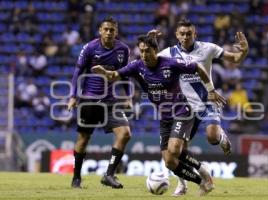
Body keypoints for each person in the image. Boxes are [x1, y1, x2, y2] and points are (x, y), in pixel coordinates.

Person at [92, 35, 226, 196]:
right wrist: (105, 72)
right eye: (141, 51)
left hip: (182, 111)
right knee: (170, 161)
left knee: (174, 149)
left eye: (147, 51)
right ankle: (202, 179)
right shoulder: (137, 66)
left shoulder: (170, 63)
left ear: (155, 50)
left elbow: (197, 67)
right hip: (164, 117)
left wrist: (211, 90)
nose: (144, 55)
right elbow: (115, 76)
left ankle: (201, 174)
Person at [149, 18, 249, 196]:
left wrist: (243, 52)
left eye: (189, 33)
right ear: (177, 35)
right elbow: (150, 62)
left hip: (207, 101)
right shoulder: (168, 53)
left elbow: (234, 58)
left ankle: (220, 137)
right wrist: (151, 43)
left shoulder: (208, 48)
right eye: (182, 34)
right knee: (178, 151)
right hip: (183, 108)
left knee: (211, 137)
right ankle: (182, 184)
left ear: (195, 34)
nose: (186, 36)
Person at [68, 16, 132, 189]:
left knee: (125, 133)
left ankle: (109, 175)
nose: (109, 32)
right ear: (100, 31)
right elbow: (78, 71)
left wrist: (127, 96)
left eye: (112, 30)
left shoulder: (123, 50)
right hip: (89, 100)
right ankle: (76, 178)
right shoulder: (90, 47)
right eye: (106, 29)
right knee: (84, 138)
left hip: (110, 101)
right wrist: (73, 96)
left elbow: (124, 74)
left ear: (116, 32)